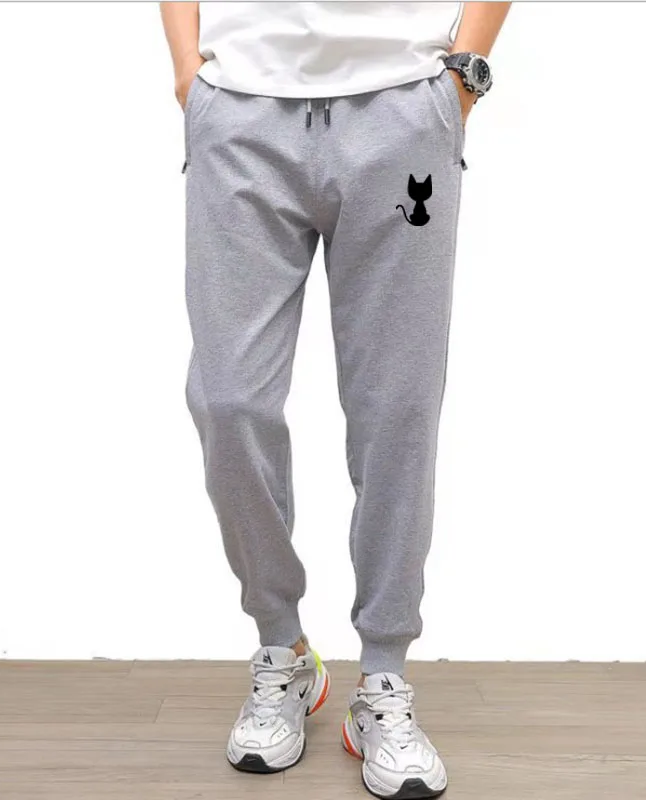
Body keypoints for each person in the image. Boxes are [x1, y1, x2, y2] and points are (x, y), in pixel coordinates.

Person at [160, 3, 510, 797]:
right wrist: (189, 74)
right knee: (227, 401)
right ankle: (283, 649)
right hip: (240, 110)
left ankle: (383, 675)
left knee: (398, 411)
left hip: (402, 108)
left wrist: (461, 79)